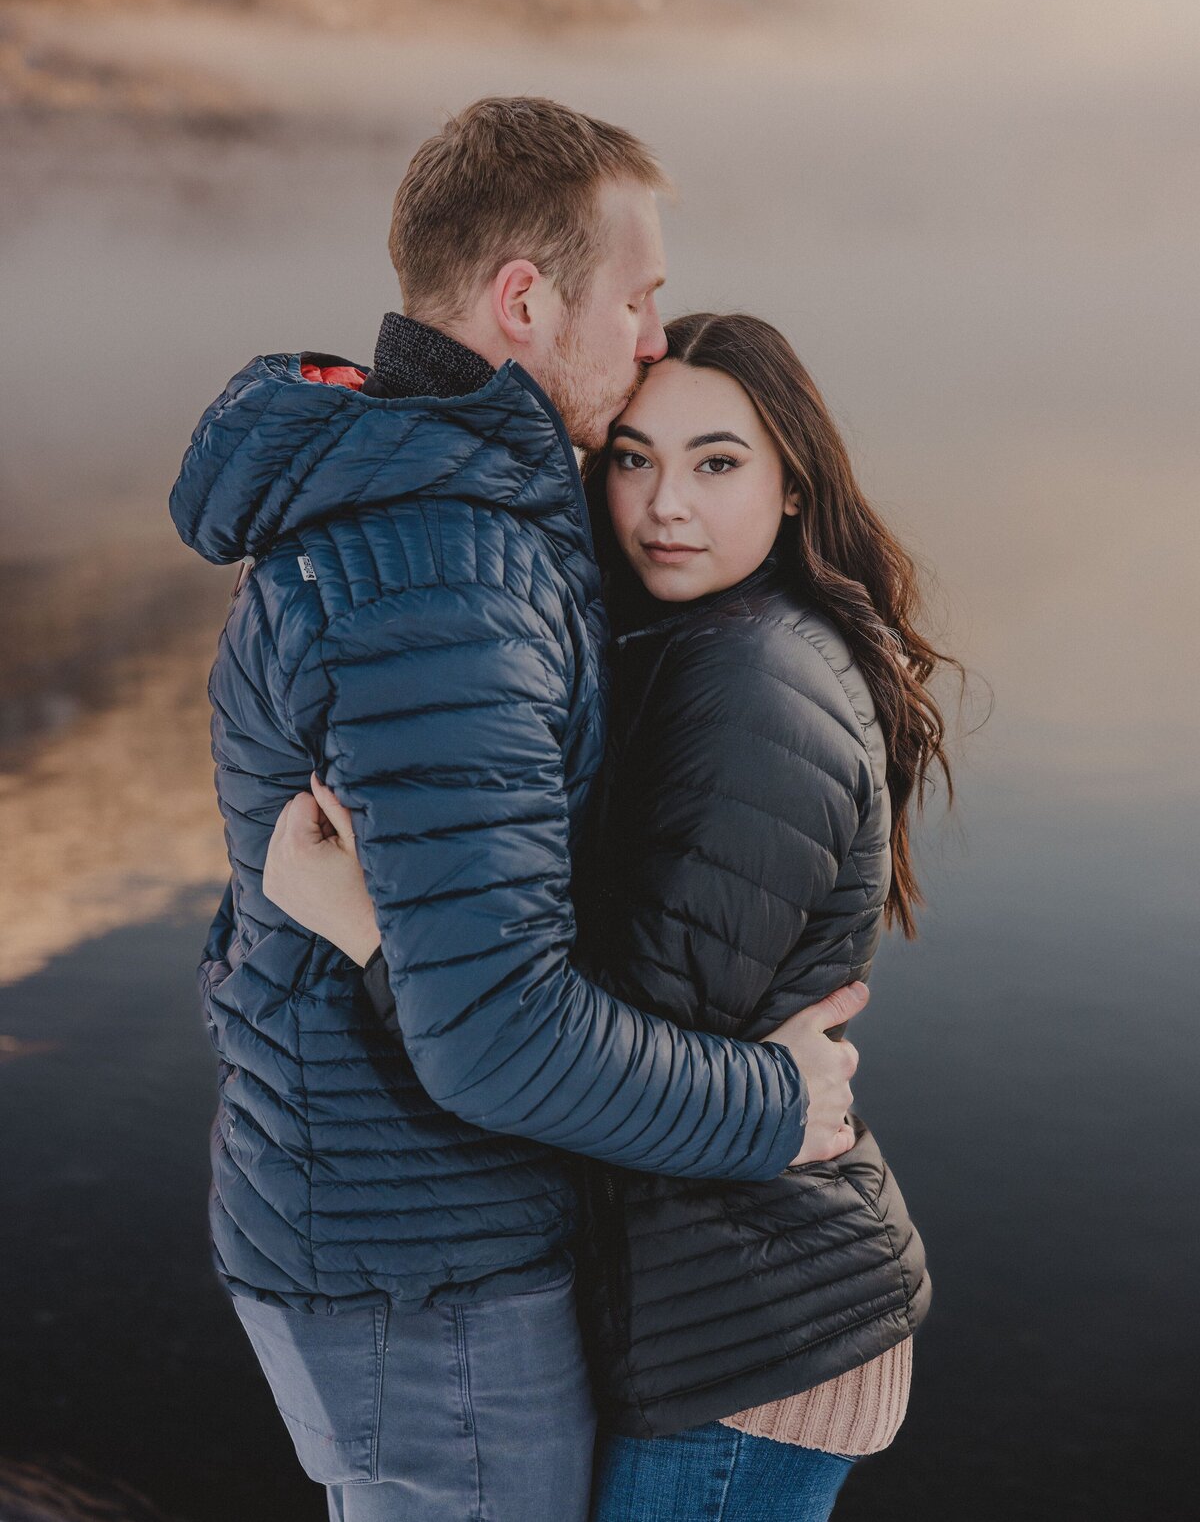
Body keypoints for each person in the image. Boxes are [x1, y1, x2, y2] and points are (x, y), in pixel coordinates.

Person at [169, 98, 872, 1522]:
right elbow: (497, 1033)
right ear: (525, 299)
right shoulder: (449, 576)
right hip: (422, 1265)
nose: (655, 337)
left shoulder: (428, 509)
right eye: (637, 298)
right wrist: (773, 1099)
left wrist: (346, 930)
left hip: (382, 1223)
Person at [265, 311, 955, 1519]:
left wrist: (375, 925)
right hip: (726, 1302)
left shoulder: (755, 686)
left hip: (747, 1341)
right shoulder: (691, 642)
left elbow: (597, 1061)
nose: (662, 503)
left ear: (795, 484)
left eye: (716, 461)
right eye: (631, 456)